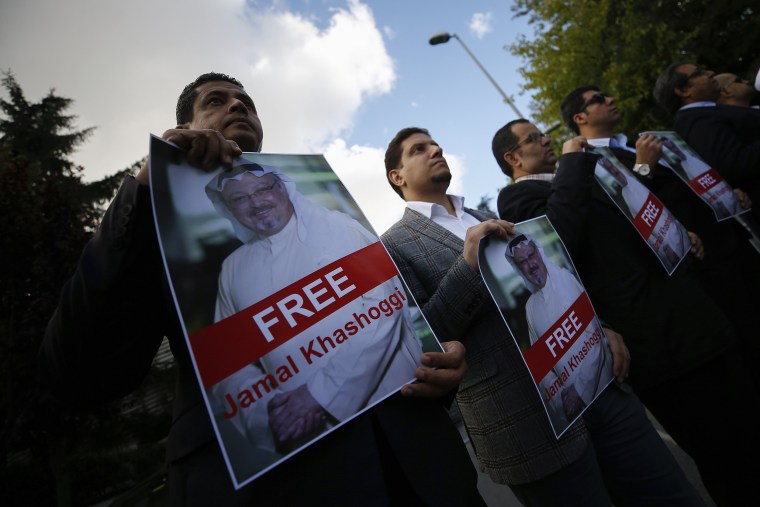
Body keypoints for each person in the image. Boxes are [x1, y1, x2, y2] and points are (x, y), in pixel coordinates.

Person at [39, 73, 487, 506]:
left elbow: (396, 321)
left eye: (245, 102)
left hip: (424, 473)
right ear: (185, 127)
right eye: (215, 101)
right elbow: (76, 369)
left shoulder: (343, 226)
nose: (237, 105)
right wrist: (144, 189)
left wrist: (436, 362)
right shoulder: (166, 234)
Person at [382, 126, 704, 506]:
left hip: (595, 386)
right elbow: (427, 340)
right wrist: (468, 268)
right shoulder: (391, 247)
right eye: (419, 149)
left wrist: (599, 327)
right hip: (527, 428)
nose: (435, 148)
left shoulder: (485, 214)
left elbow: (551, 282)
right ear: (397, 177)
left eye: (435, 143)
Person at [494, 117, 760, 506]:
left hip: (694, 315)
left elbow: (631, 220)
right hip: (660, 345)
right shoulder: (516, 200)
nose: (547, 140)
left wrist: (674, 233)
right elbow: (561, 239)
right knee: (726, 456)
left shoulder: (583, 175)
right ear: (513, 157)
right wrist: (572, 162)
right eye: (535, 138)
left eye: (545, 134)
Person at [203, 161, 422, 456]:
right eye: (240, 199)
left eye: (262, 189)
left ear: (282, 188)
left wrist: (319, 395)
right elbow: (227, 364)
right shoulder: (232, 270)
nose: (255, 203)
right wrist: (269, 409)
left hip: (400, 409)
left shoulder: (338, 228)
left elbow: (385, 309)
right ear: (229, 210)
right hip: (314, 444)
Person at [562, 84, 760, 388]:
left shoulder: (636, 141)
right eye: (599, 99)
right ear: (580, 117)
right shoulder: (590, 166)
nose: (611, 99)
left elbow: (683, 183)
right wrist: (643, 167)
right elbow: (631, 217)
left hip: (728, 242)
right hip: (700, 268)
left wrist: (723, 192)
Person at [504, 234, 610, 426]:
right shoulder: (530, 307)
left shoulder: (565, 279)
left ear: (539, 253)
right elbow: (541, 365)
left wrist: (578, 391)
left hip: (606, 392)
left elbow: (595, 339)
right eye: (523, 262)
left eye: (531, 255)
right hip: (576, 415)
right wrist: (562, 398)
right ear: (519, 269)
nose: (531, 264)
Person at [652, 62, 760, 221]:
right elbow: (733, 164)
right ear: (683, 91)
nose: (710, 73)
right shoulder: (697, 122)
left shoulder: (704, 113)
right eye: (699, 73)